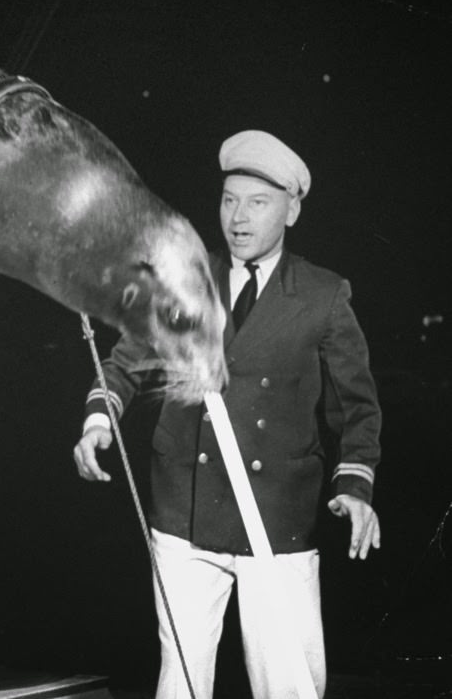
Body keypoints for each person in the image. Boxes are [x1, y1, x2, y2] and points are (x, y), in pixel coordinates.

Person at [73, 130, 382, 699]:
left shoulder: (323, 295)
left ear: (291, 210)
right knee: (181, 678)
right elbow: (127, 362)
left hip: (277, 514)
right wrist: (99, 420)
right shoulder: (185, 278)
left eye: (257, 203)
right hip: (184, 510)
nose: (238, 218)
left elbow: (356, 408)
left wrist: (356, 484)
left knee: (288, 680)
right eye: (228, 200)